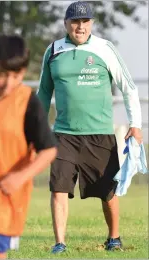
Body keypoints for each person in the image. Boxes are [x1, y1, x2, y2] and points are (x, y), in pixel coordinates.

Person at [37, 1, 143, 253]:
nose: (80, 26)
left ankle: (114, 238)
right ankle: (59, 243)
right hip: (63, 135)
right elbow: (43, 93)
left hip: (100, 135)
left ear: (92, 24)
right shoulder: (53, 51)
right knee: (59, 188)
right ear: (66, 23)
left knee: (108, 191)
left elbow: (129, 88)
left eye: (85, 21)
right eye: (74, 21)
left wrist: (136, 125)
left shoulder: (105, 49)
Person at [0, 34, 57, 259]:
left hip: (4, 196)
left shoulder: (27, 102)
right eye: (2, 74)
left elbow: (48, 150)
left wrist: (20, 177)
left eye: (16, 76)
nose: (8, 83)